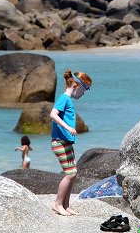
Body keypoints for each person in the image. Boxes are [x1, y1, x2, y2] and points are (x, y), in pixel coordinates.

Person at [50, 69, 93, 216]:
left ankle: (65, 205)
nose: (83, 94)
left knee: (73, 174)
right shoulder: (64, 98)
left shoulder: (67, 100)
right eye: (84, 90)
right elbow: (53, 114)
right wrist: (68, 127)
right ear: (76, 86)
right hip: (59, 142)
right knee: (70, 174)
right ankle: (57, 204)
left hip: (66, 142)